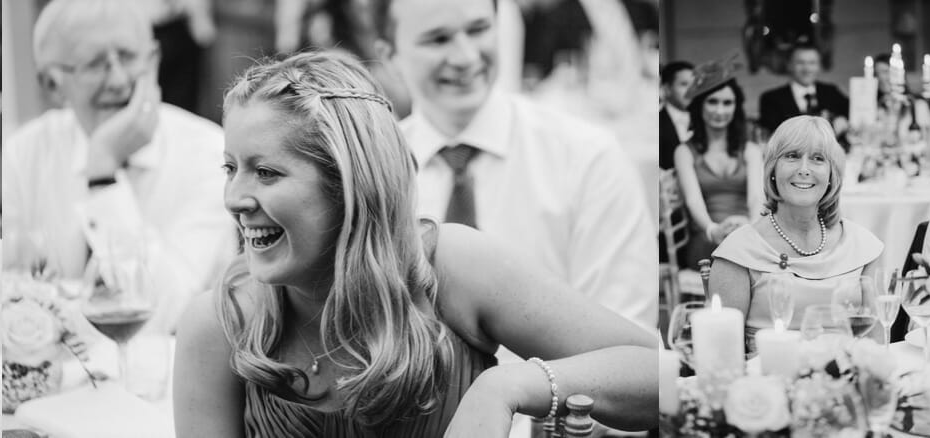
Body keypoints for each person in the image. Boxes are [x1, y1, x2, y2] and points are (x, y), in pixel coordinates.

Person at [172, 51, 657, 438]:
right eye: (230, 168)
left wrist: (505, 386)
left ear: (350, 184)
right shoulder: (218, 327)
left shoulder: (451, 268)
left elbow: (661, 373)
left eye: (267, 172)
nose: (234, 198)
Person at [372, 0, 657, 332]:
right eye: (438, 39)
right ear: (390, 56)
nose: (465, 57)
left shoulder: (587, 159)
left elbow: (627, 337)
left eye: (479, 30)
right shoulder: (373, 171)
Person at [3, 0, 233, 334]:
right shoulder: (24, 154)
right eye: (95, 64)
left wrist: (103, 176)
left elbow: (163, 314)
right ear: (53, 84)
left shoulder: (209, 152)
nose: (118, 80)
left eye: (127, 57)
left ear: (153, 60)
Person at [711, 116, 882, 352]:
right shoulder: (738, 253)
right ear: (772, 169)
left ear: (832, 174)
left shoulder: (862, 247)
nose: (804, 169)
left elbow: (877, 342)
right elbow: (721, 354)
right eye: (792, 156)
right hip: (768, 382)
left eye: (818, 159)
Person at [673, 73, 763, 269]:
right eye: (712, 102)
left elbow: (757, 198)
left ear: (736, 107)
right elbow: (693, 201)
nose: (720, 110)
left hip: (747, 230)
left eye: (727, 102)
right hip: (707, 237)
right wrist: (713, 230)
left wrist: (750, 226)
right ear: (700, 106)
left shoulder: (751, 150)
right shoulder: (684, 152)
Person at [758, 44, 849, 135]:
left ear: (819, 66)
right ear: (789, 65)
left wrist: (843, 120)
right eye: (800, 63)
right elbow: (771, 133)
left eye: (812, 63)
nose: (807, 68)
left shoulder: (832, 92)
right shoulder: (771, 99)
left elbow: (852, 113)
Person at [660, 61, 695, 170]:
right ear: (667, 89)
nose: (691, 90)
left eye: (695, 85)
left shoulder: (706, 119)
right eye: (684, 84)